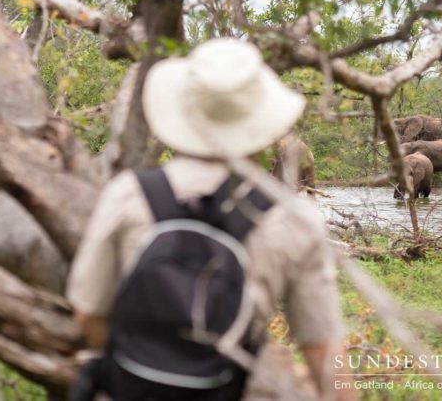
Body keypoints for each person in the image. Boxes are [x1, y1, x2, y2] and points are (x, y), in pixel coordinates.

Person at [68, 38, 353, 400]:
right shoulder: (293, 220)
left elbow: (87, 313)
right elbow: (324, 354)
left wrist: (138, 365)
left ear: (183, 113)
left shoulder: (128, 194)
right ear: (262, 124)